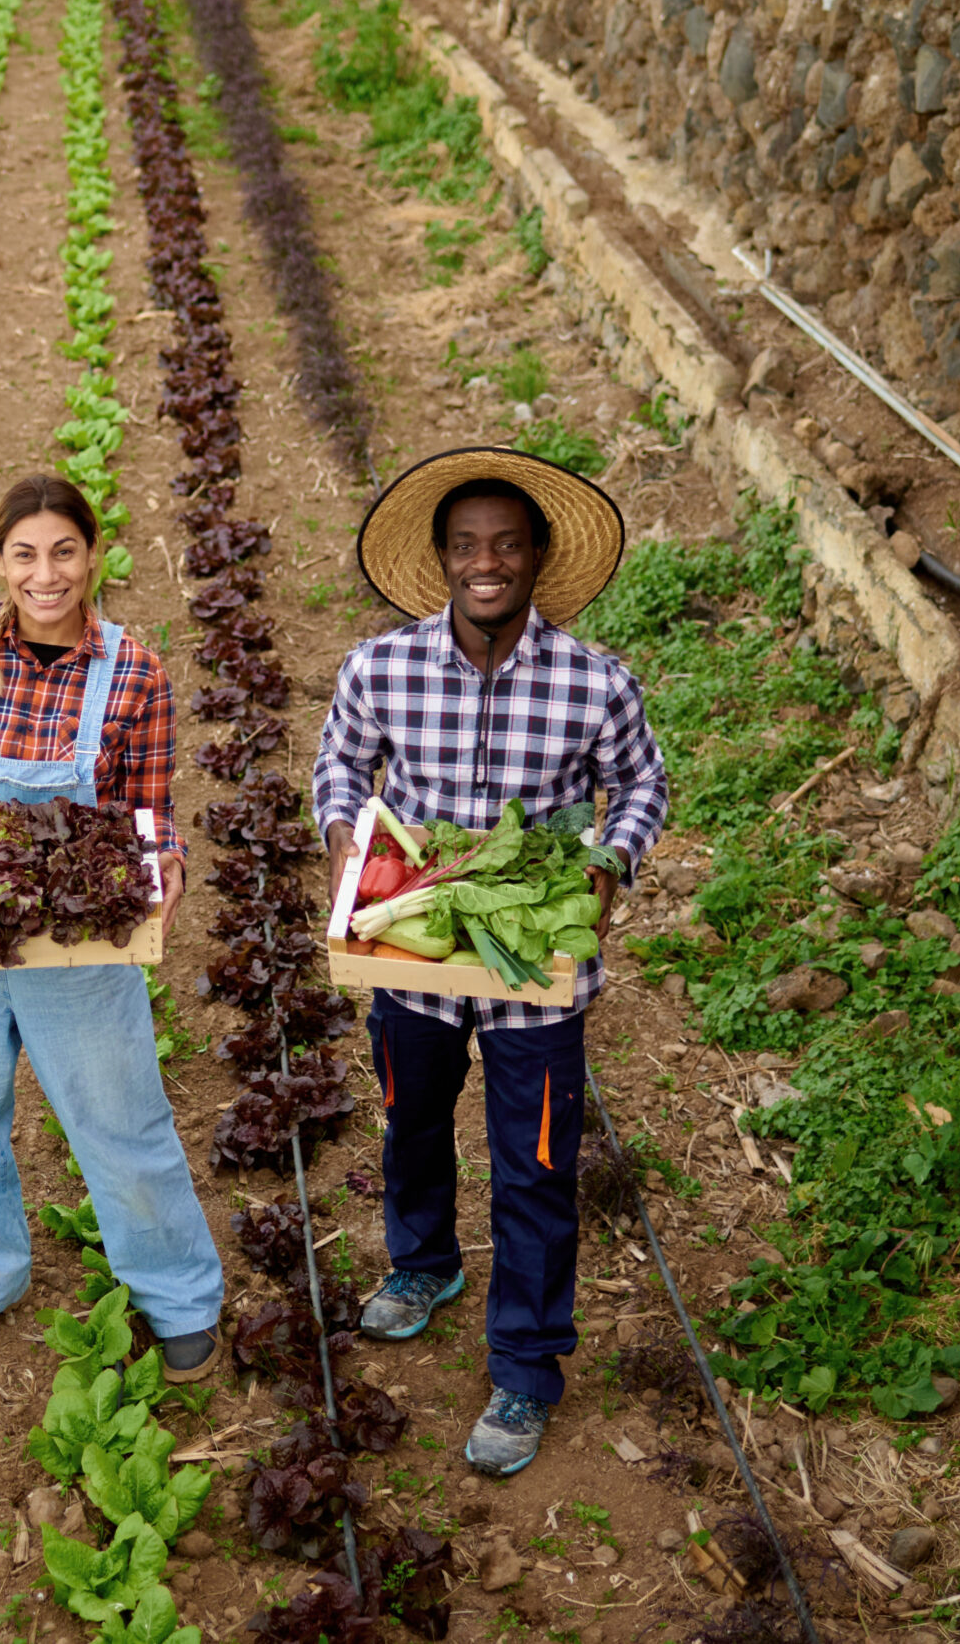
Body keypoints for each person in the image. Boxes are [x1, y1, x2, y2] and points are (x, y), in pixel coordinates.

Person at [313, 448, 669, 1477]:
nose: (486, 562)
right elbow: (339, 758)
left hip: (533, 961)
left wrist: (610, 860)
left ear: (535, 558)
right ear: (439, 562)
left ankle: (524, 1363)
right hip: (414, 941)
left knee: (536, 1165)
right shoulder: (381, 666)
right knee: (411, 1118)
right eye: (466, 545)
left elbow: (641, 785)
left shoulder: (594, 682)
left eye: (506, 544)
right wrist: (342, 833)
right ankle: (422, 1264)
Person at [0, 475, 225, 1380]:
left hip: (76, 941)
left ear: (94, 554)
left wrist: (168, 860)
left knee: (118, 1110)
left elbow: (149, 809)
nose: (47, 574)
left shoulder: (133, 670)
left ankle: (175, 1291)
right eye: (25, 554)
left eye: (64, 551)